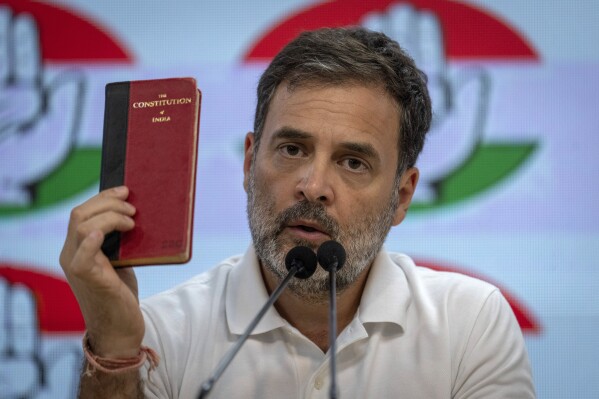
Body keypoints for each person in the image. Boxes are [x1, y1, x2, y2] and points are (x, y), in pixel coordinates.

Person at [59, 27, 535, 398]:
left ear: (402, 196)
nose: (313, 187)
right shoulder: (162, 333)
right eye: (291, 149)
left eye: (353, 162)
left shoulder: (470, 322)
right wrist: (116, 349)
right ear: (249, 163)